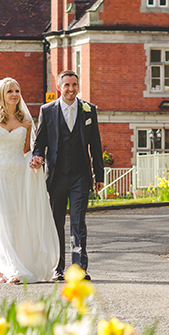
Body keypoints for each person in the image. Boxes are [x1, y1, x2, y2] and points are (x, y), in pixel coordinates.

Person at [0, 78, 59, 284]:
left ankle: (2, 265)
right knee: (4, 218)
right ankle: (11, 267)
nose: (14, 94)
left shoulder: (27, 121)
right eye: (10, 91)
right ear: (2, 95)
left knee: (18, 219)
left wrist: (36, 164)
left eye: (17, 90)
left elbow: (28, 150)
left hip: (19, 173)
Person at [30, 70, 104, 281]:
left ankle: (78, 269)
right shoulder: (47, 110)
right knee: (56, 223)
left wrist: (99, 175)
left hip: (81, 175)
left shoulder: (89, 110)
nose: (71, 89)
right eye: (67, 85)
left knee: (78, 222)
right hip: (56, 176)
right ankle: (58, 268)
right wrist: (37, 157)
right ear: (59, 87)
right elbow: (40, 141)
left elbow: (95, 145)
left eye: (74, 84)